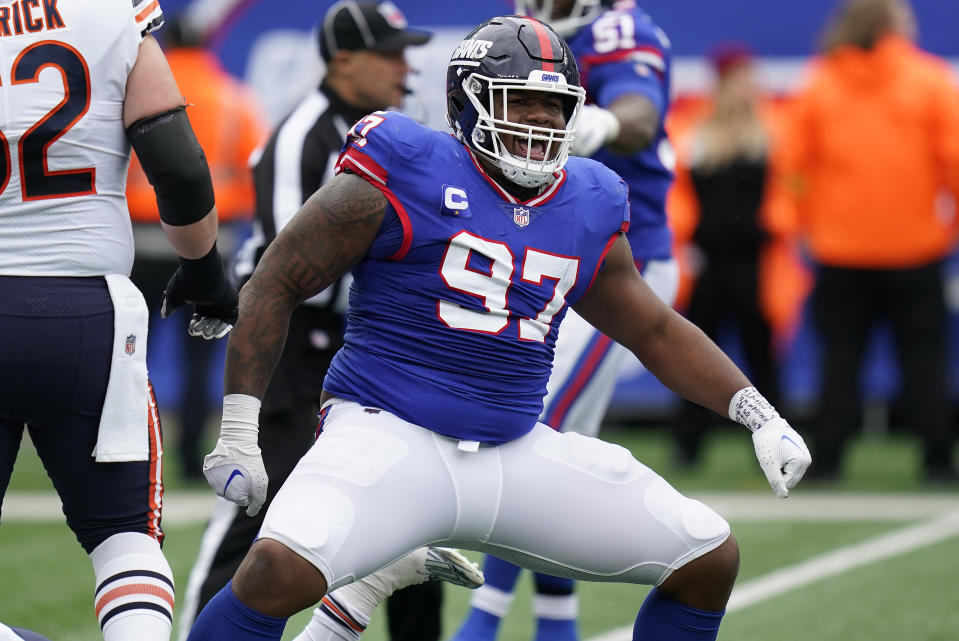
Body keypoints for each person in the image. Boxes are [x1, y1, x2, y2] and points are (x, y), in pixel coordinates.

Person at [187, 15, 811, 641]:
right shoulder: (404, 161)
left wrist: (757, 413)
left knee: (708, 555)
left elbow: (654, 329)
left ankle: (376, 578)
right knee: (272, 570)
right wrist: (241, 427)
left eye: (555, 105)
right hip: (386, 436)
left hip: (513, 448)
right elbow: (276, 280)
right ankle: (370, 577)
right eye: (522, 101)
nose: (539, 120)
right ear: (469, 103)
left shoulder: (589, 199)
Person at [175, 3, 447, 641]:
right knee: (260, 504)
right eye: (391, 52)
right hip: (295, 342)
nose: (406, 67)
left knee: (419, 506)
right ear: (345, 60)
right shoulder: (305, 134)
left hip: (368, 345)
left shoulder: (396, 134)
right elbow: (286, 268)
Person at [0, 1, 238, 641]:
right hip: (88, 310)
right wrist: (206, 272)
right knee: (123, 537)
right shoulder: (109, 12)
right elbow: (179, 165)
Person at [451, 2, 681, 640]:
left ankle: (483, 620)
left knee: (531, 427)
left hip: (617, 266)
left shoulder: (619, 29)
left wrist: (596, 124)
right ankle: (559, 623)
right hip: (553, 253)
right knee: (557, 449)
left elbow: (641, 116)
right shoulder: (516, 32)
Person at [780, 0, 959, 482]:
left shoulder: (822, 84)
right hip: (916, 247)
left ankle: (829, 461)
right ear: (893, 26)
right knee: (924, 358)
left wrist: (803, 224)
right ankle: (938, 461)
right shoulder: (929, 80)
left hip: (839, 250)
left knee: (840, 359)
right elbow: (954, 161)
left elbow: (792, 168)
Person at [126, 12, 268, 481]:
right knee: (198, 359)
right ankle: (188, 459)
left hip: (137, 240)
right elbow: (255, 175)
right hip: (210, 243)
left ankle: (127, 453)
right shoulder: (233, 97)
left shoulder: (135, 88)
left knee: (128, 355)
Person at [668, 43, 784, 469]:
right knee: (697, 358)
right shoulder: (694, 132)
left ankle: (775, 443)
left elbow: (788, 196)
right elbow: (676, 197)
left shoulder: (772, 132)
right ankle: (688, 444)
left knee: (761, 359)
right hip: (709, 265)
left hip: (756, 264)